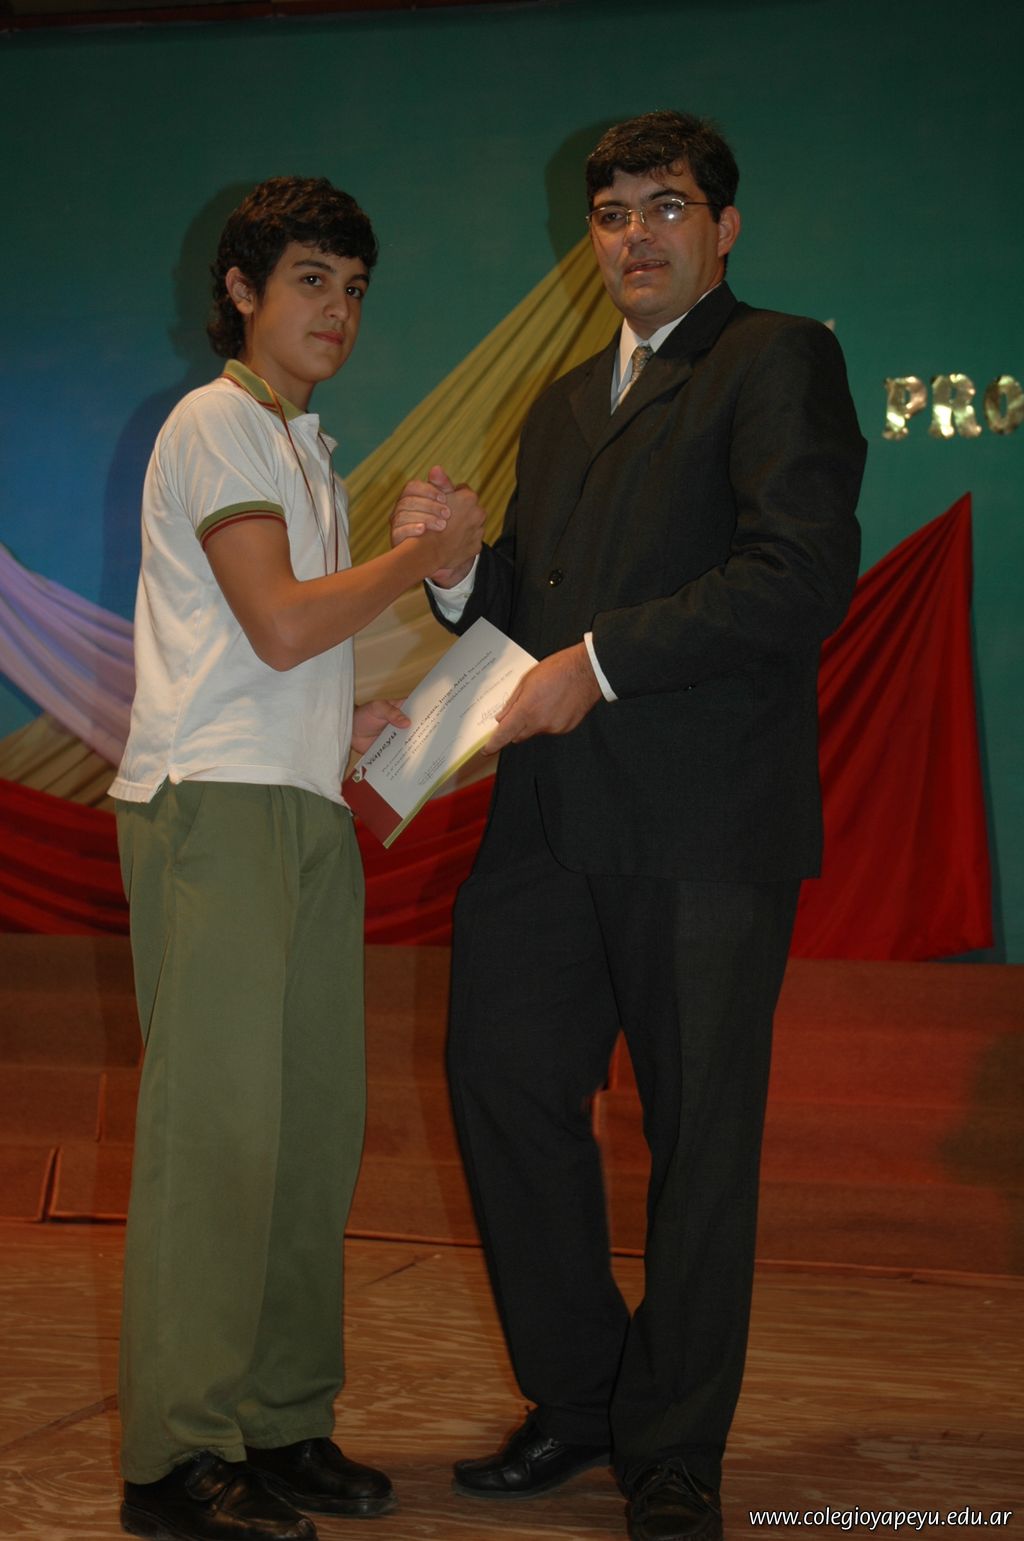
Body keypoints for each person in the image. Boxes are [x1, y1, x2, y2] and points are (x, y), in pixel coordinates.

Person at [392, 112, 866, 1541]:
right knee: (500, 1083)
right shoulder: (558, 403)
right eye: (612, 213)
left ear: (724, 227)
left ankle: (674, 1447)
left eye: (667, 206)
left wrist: (595, 666)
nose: (636, 235)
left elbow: (798, 574)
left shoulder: (777, 357)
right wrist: (461, 575)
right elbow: (534, 603)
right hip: (546, 823)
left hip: (705, 824)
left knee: (700, 1138)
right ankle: (583, 1397)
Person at [110, 175, 483, 1541]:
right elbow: (276, 624)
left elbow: (279, 654)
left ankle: (279, 1421)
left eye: (355, 287)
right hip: (212, 812)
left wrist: (350, 718)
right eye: (312, 279)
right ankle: (173, 1460)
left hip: (303, 810)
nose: (340, 309)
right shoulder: (215, 422)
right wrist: (421, 558)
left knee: (308, 1136)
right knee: (216, 1140)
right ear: (242, 291)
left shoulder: (299, 446)